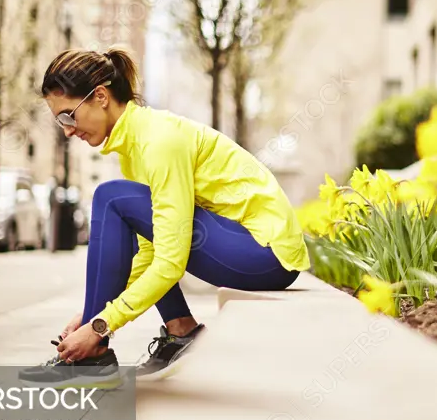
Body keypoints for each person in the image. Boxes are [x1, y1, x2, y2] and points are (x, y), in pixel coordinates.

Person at [18, 45, 309, 387]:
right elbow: (151, 252)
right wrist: (90, 316)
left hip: (264, 253)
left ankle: (96, 355)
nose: (67, 130)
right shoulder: (136, 143)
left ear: (100, 96)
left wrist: (100, 326)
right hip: (245, 247)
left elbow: (171, 260)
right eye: (59, 121)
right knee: (122, 207)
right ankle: (180, 328)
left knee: (110, 197)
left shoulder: (158, 141)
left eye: (68, 116)